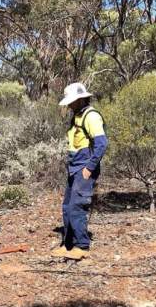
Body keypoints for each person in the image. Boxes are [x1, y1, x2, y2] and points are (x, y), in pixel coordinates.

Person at [52, 82, 108, 260]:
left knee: (77, 205)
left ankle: (81, 246)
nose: (69, 105)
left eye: (72, 101)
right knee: (68, 206)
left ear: (81, 99)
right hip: (74, 165)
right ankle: (68, 245)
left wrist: (89, 168)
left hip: (84, 166)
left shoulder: (91, 117)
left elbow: (101, 144)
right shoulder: (77, 115)